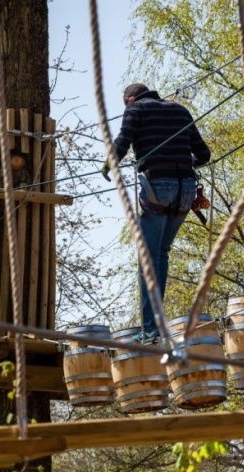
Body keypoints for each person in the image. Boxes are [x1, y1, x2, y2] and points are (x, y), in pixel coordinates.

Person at [103, 83, 211, 341]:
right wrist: (185, 163)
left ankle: (151, 328)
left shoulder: (136, 110)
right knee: (160, 253)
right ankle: (156, 325)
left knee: (148, 258)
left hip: (158, 188)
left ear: (129, 99)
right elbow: (204, 154)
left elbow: (123, 143)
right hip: (185, 191)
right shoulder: (181, 110)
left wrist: (109, 164)